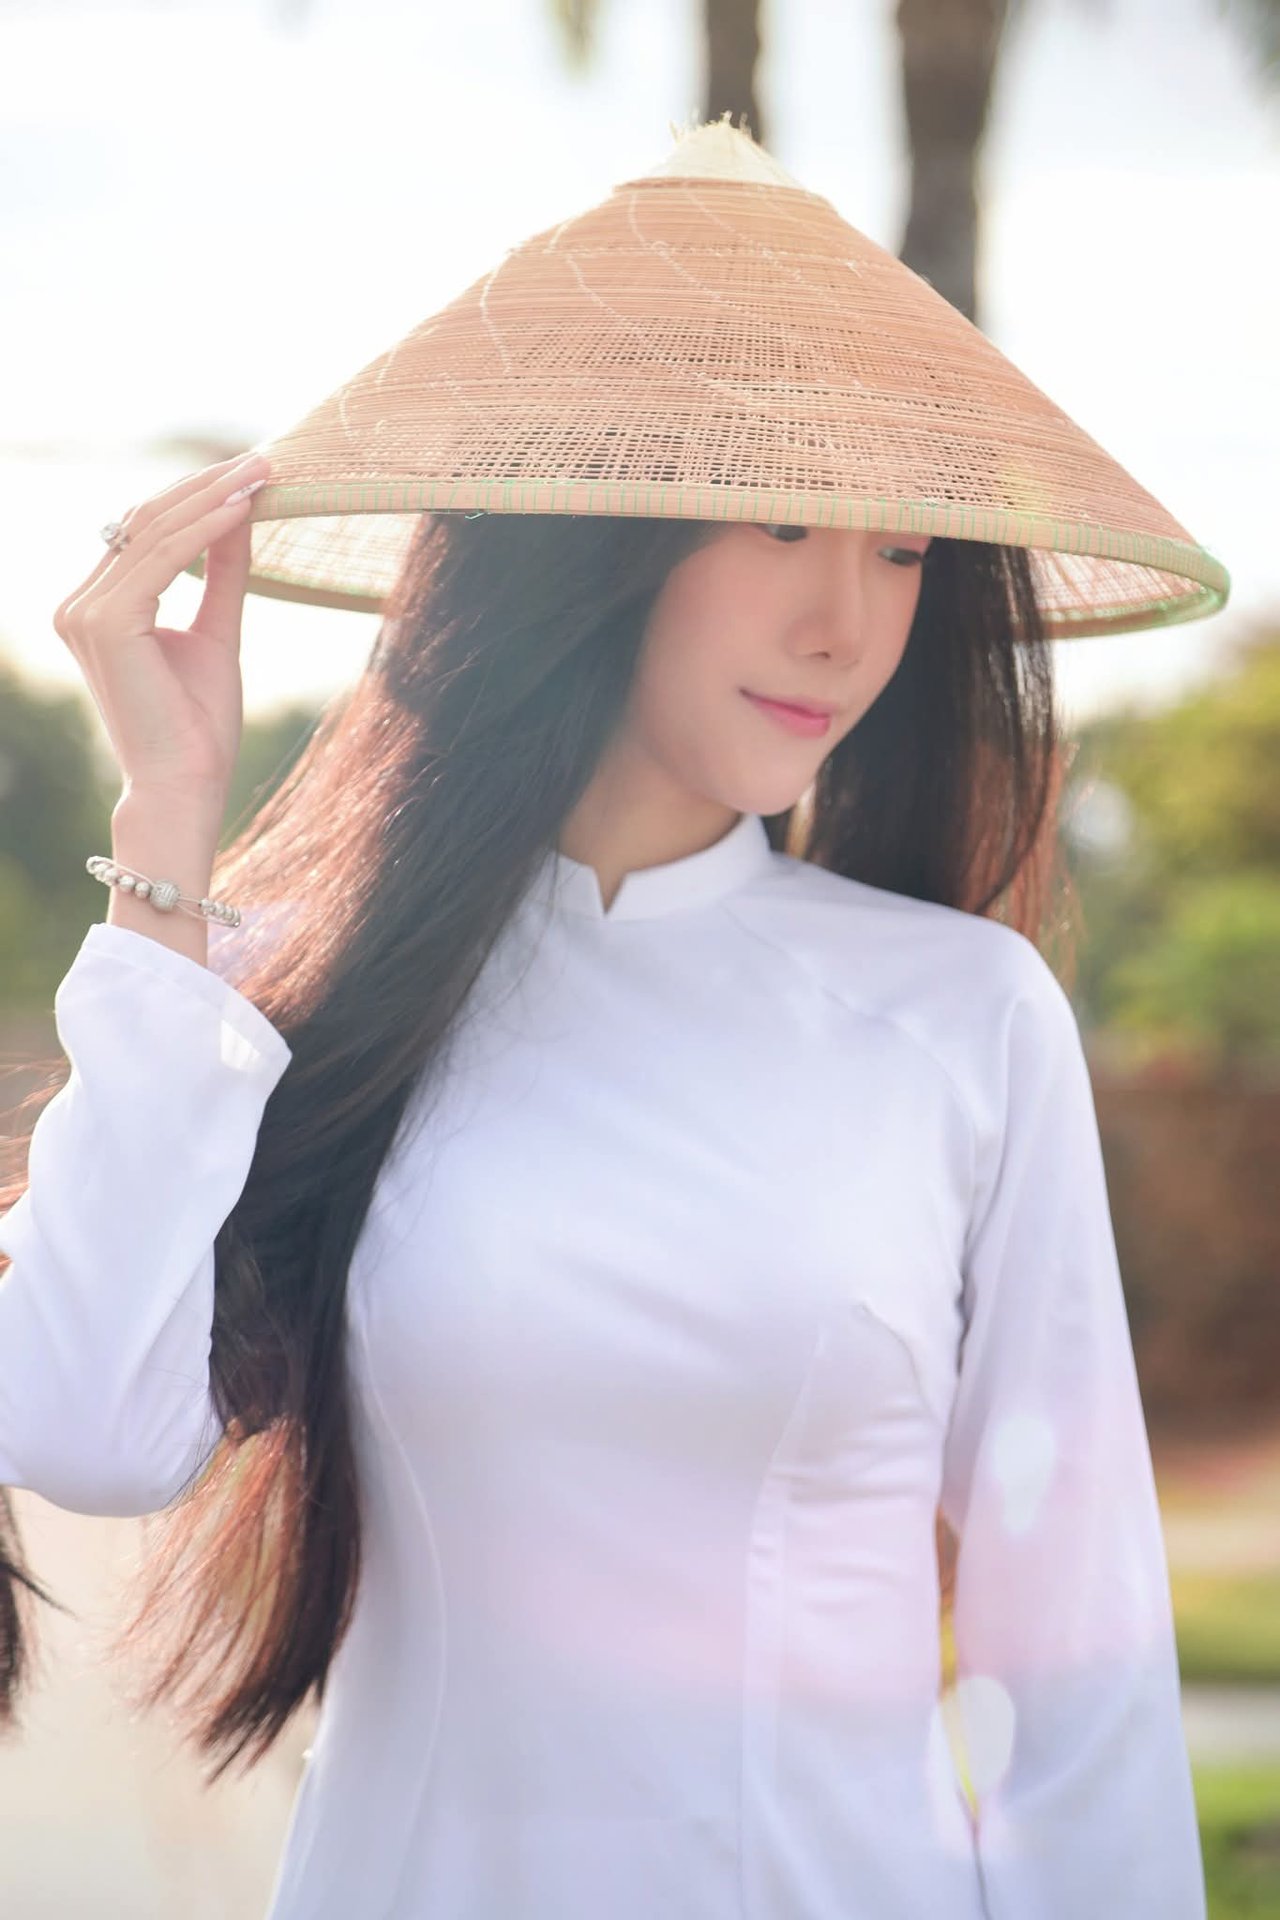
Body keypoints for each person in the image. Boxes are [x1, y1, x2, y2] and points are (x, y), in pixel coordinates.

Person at [0, 118, 1219, 1918]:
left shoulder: (965, 1020)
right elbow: (81, 1427)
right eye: (781, 520)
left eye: (902, 551)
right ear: (595, 537)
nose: (845, 624)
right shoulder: (285, 999)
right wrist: (167, 833)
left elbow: (1079, 1660)